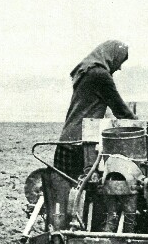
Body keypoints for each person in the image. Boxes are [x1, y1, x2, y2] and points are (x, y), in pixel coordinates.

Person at [54, 40, 137, 179]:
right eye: (120, 61)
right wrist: (140, 124)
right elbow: (120, 110)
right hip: (79, 146)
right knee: (79, 193)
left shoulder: (87, 71)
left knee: (66, 193)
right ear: (112, 56)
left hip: (68, 142)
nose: (120, 67)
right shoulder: (100, 75)